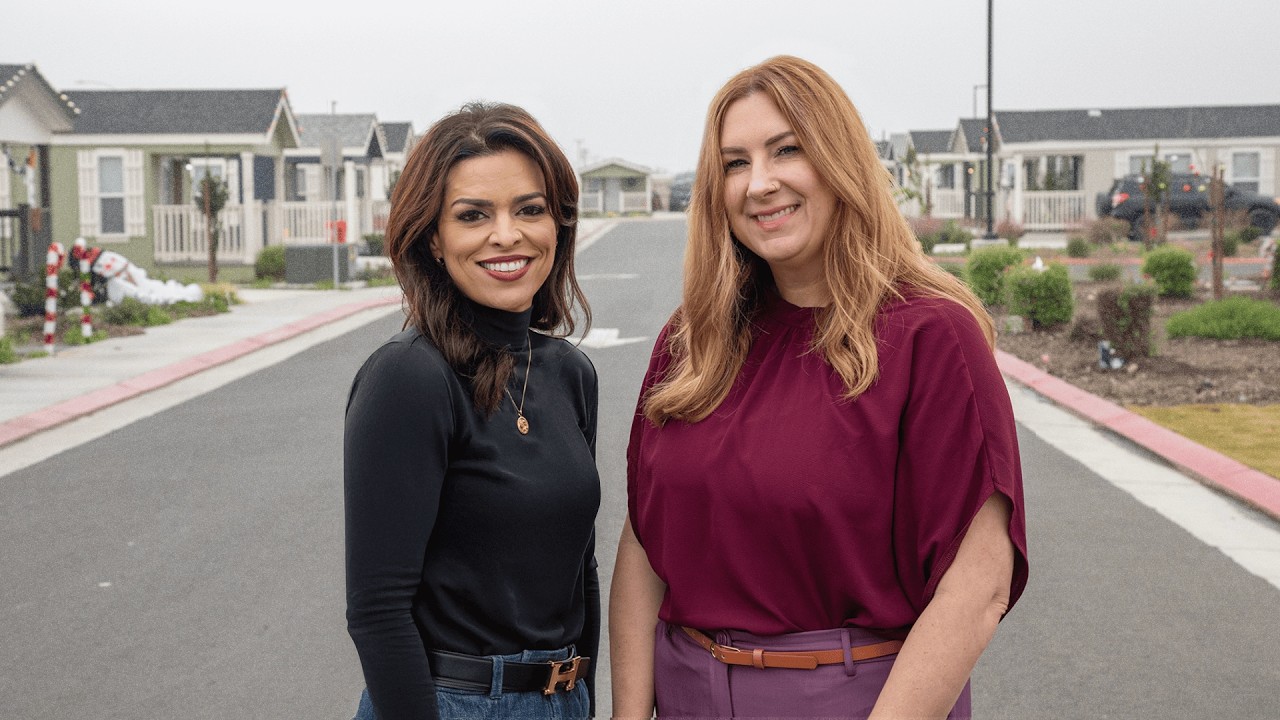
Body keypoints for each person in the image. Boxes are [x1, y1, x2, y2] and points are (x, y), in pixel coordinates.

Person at [610, 56, 1029, 719]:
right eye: (735, 163)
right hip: (686, 694)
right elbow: (644, 542)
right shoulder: (691, 341)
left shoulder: (931, 337)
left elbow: (976, 587)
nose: (760, 184)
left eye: (787, 150)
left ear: (840, 161)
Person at [345, 102, 600, 720]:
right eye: (473, 215)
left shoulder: (570, 373)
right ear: (434, 238)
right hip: (452, 703)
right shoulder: (409, 377)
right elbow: (378, 609)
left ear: (558, 224)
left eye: (530, 209)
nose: (506, 235)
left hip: (563, 699)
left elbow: (580, 572)